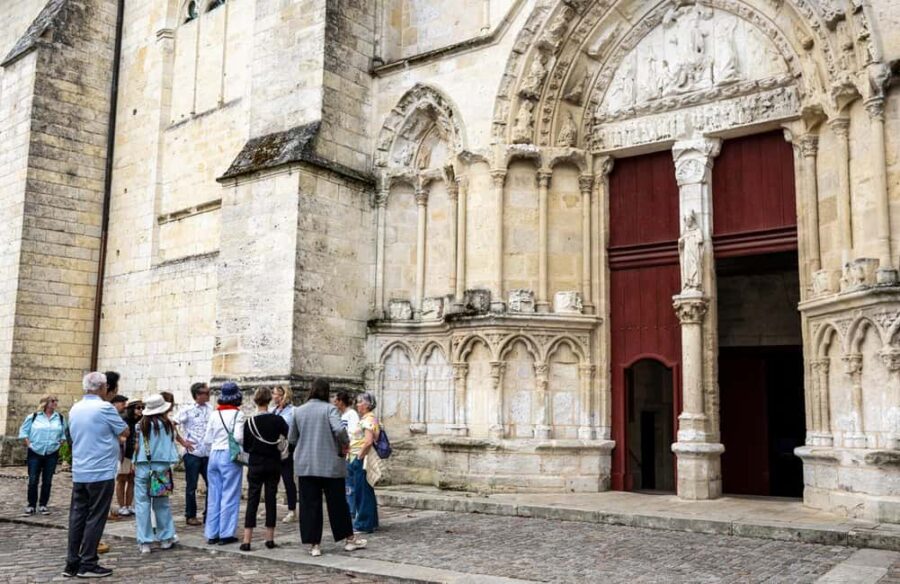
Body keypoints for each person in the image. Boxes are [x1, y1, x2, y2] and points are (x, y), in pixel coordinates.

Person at [289, 378, 367, 557]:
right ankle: (348, 539)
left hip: (306, 464)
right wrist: (345, 444)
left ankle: (314, 545)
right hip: (330, 464)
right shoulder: (330, 409)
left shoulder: (299, 411)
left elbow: (292, 438)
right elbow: (339, 430)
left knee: (310, 505)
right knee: (337, 504)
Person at [64, 372, 129, 579]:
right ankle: (88, 562)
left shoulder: (75, 408)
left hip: (81, 469)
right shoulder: (105, 408)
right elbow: (125, 431)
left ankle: (72, 562)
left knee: (77, 516)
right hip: (100, 470)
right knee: (95, 517)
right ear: (102, 387)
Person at [241, 387, 288, 551]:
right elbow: (287, 435)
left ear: (255, 401)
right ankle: (269, 538)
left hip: (255, 463)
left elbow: (246, 447)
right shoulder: (278, 420)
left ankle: (247, 539)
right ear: (269, 400)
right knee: (270, 499)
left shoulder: (249, 422)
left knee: (252, 500)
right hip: (273, 463)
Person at [132, 394, 179, 554]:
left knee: (142, 504)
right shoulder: (168, 425)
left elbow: (137, 446)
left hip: (143, 465)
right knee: (161, 504)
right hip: (161, 467)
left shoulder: (140, 425)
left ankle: (145, 541)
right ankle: (166, 537)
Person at [203, 381, 244, 546]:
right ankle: (226, 533)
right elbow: (239, 437)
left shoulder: (214, 414)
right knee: (230, 494)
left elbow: (207, 439)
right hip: (229, 455)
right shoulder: (237, 414)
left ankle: (212, 533)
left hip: (214, 454)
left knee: (214, 495)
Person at [18, 394, 67, 516]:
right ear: (45, 403)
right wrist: (29, 444)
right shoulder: (34, 417)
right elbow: (23, 431)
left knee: (47, 480)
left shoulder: (60, 418)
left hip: (51, 452)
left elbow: (64, 433)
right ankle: (31, 505)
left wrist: (60, 443)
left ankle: (43, 504)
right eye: (53, 401)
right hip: (35, 452)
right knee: (33, 479)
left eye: (56, 400)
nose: (55, 403)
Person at [175, 382, 211, 526]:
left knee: (211, 484)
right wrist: (182, 441)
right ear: (197, 395)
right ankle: (190, 515)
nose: (208, 395)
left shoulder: (210, 409)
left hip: (207, 453)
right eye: (205, 393)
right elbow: (172, 424)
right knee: (191, 486)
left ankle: (209, 513)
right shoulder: (187, 410)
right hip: (192, 452)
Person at [346, 391, 381, 534]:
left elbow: (368, 441)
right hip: (357, 457)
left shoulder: (368, 419)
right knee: (365, 490)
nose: (357, 405)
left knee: (362, 492)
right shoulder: (368, 418)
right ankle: (371, 521)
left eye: (360, 402)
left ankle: (364, 524)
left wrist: (359, 456)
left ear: (367, 405)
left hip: (360, 458)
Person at [270, 386, 297, 523]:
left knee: (288, 480)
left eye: (274, 393)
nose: (272, 396)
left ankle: (292, 510)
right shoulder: (273, 410)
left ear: (282, 395)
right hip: (273, 448)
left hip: (286, 449)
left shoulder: (292, 411)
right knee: (271, 480)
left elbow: (289, 428)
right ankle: (270, 507)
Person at [114, 399, 142, 518]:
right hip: (125, 454)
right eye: (138, 408)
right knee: (122, 479)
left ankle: (129, 505)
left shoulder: (141, 421)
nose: (141, 410)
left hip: (136, 455)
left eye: (142, 408)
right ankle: (122, 506)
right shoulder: (124, 420)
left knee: (132, 480)